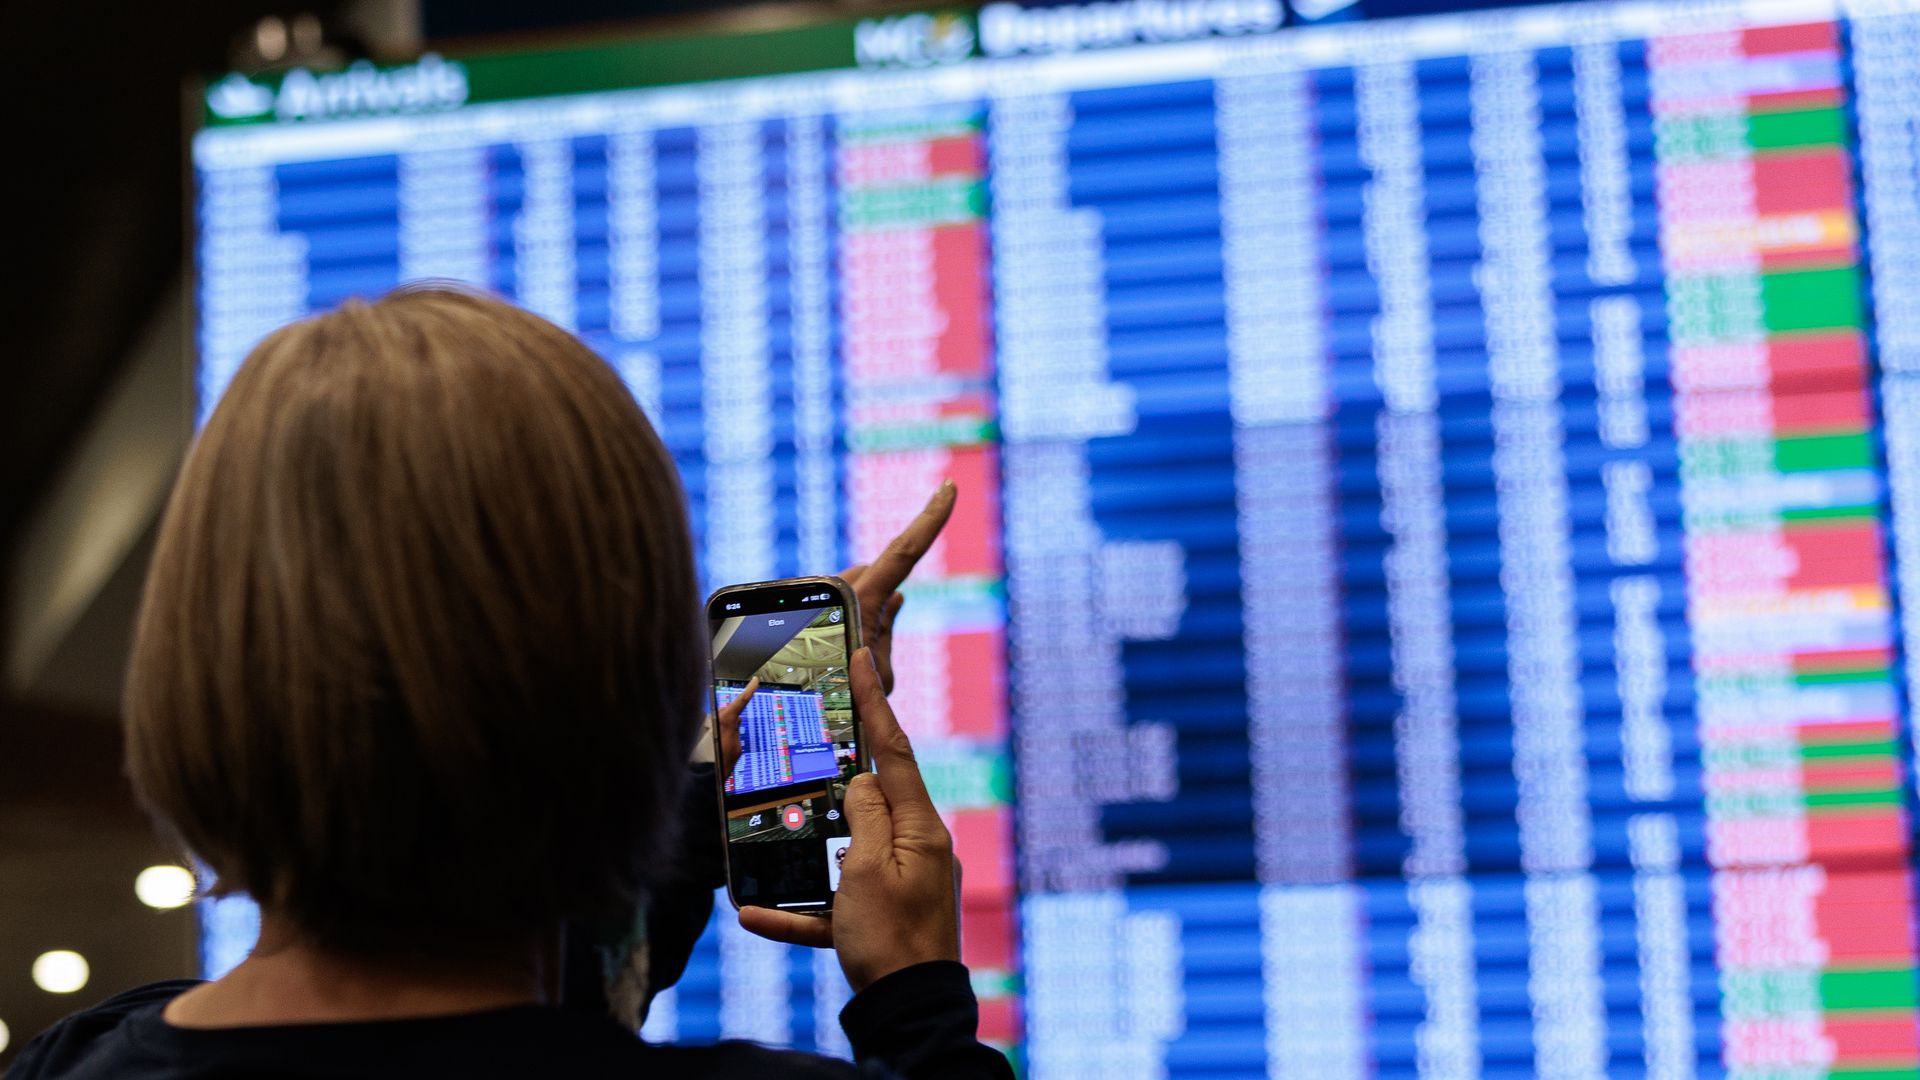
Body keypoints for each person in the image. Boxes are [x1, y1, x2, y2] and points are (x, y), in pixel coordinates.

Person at [6, 287, 1013, 1079]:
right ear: (642, 689)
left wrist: (691, 806)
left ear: (198, 663)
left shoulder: (78, 1061)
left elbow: (501, 1024)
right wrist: (917, 1003)